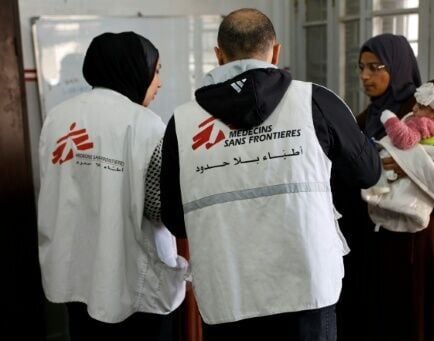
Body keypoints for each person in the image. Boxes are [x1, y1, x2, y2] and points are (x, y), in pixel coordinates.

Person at [160, 8, 380, 341]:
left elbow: (176, 220)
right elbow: (368, 172)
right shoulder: (315, 101)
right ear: (276, 52)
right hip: (307, 288)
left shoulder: (183, 122)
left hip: (228, 294)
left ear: (219, 56)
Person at [38, 31, 187, 341]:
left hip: (75, 275)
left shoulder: (58, 117)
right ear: (134, 69)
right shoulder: (146, 125)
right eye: (156, 71)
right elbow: (160, 208)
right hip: (135, 285)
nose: (158, 83)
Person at [336, 32, 434, 341]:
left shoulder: (424, 109)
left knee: (415, 314)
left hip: (420, 236)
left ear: (396, 66)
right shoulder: (368, 116)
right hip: (381, 236)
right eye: (361, 67)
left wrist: (413, 164)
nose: (365, 76)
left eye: (375, 67)